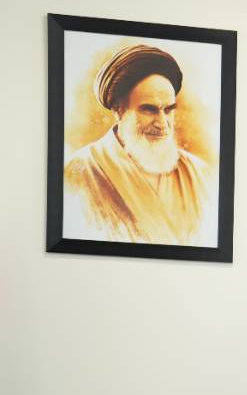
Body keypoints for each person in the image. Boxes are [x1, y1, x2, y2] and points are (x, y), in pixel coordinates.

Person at [62, 44, 214, 245]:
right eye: (149, 110)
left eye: (168, 110)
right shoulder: (75, 175)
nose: (162, 124)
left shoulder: (201, 174)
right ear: (119, 111)